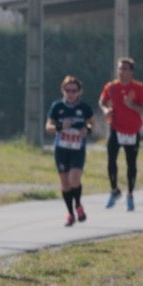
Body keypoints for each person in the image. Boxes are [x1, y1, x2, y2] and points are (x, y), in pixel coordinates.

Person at [98, 57, 143, 211]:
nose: (122, 72)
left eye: (125, 69)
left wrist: (131, 105)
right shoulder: (111, 87)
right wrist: (106, 110)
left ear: (131, 72)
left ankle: (130, 194)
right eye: (120, 69)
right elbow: (101, 101)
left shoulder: (139, 88)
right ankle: (114, 190)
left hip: (132, 130)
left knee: (131, 164)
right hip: (115, 128)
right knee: (111, 160)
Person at [47, 75, 95, 226]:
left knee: (74, 179)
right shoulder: (57, 107)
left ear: (79, 91)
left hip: (77, 149)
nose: (71, 93)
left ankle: (78, 205)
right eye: (68, 90)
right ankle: (70, 213)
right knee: (65, 184)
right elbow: (48, 127)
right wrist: (61, 127)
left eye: (74, 90)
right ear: (63, 90)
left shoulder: (84, 108)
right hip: (61, 149)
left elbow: (92, 124)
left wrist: (86, 130)